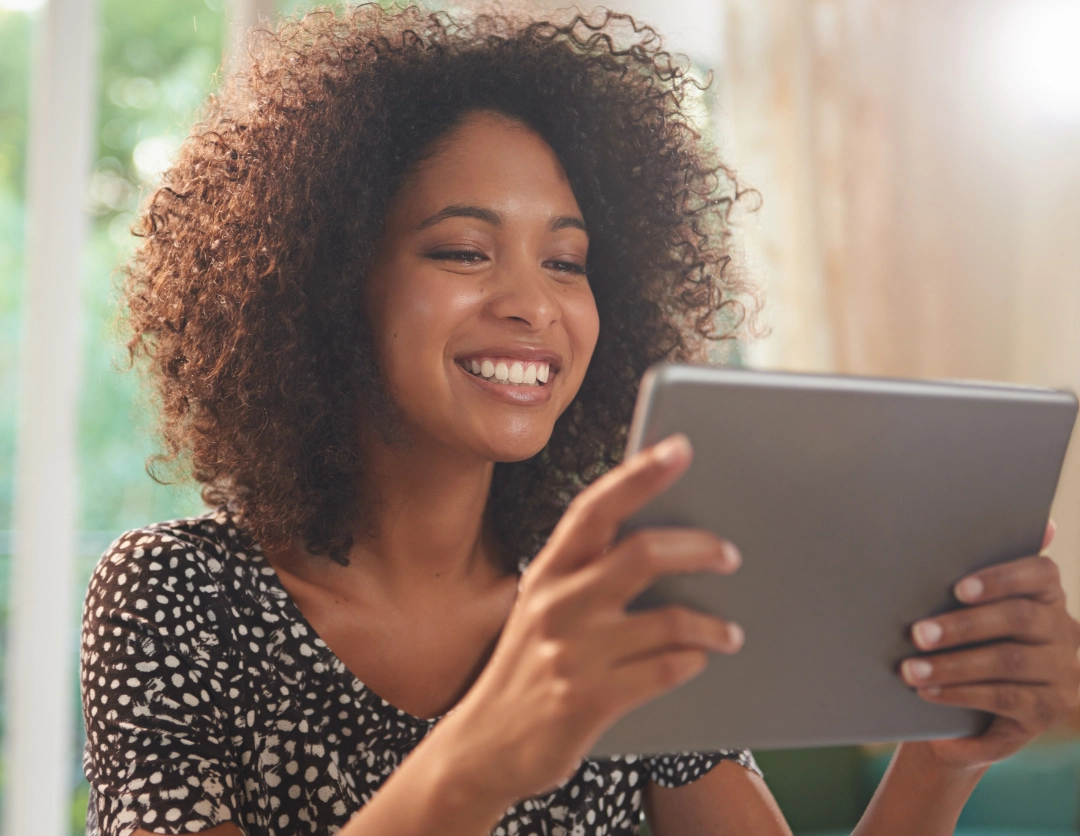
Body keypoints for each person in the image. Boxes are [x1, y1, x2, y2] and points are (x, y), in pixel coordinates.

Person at [80, 5, 1080, 835]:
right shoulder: (178, 594)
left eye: (566, 260)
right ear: (333, 282)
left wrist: (940, 762)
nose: (535, 303)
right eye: (465, 251)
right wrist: (485, 753)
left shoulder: (607, 590)